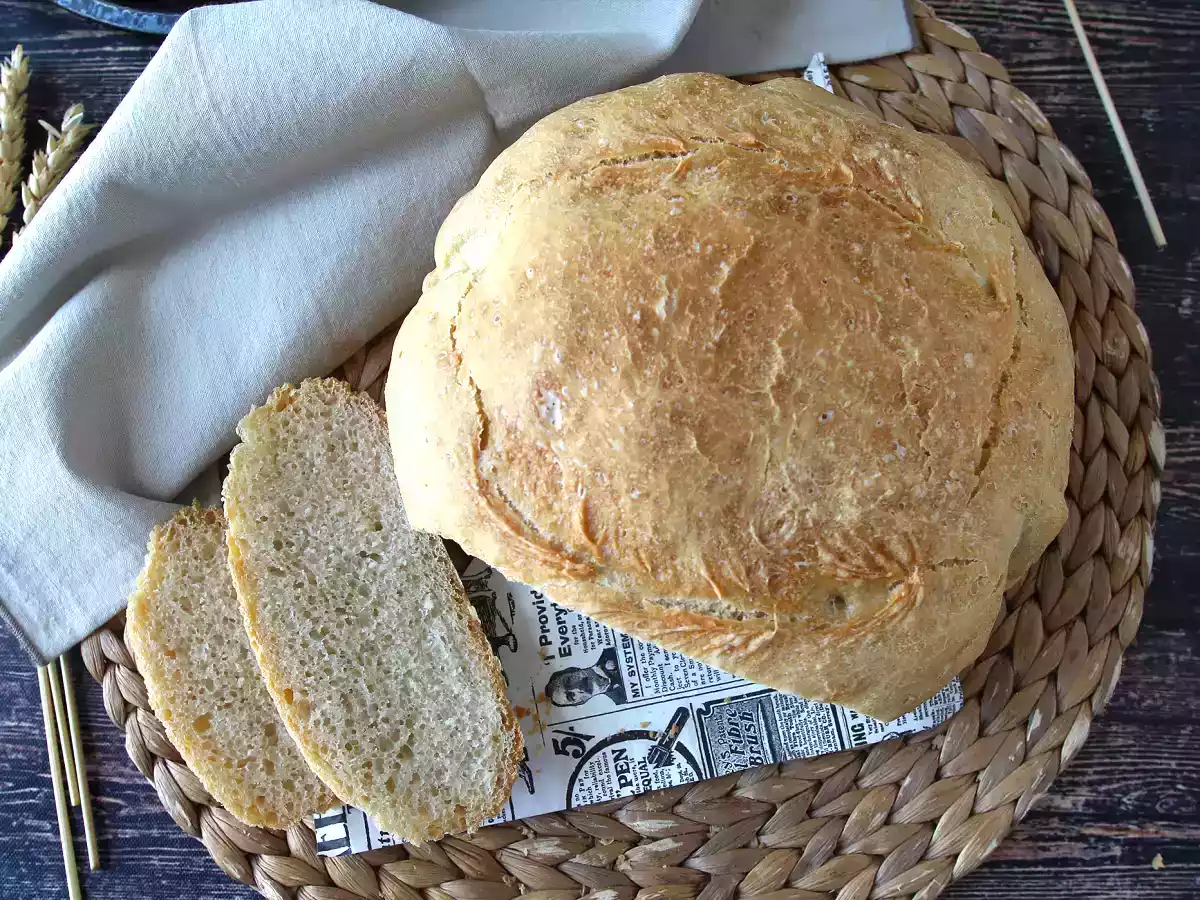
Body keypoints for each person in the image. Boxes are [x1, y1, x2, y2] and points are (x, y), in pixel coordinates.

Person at [546, 647, 627, 707]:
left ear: (572, 670)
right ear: (580, 702)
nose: (577, 688)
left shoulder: (606, 651)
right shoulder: (619, 701)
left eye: (569, 681)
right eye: (571, 696)